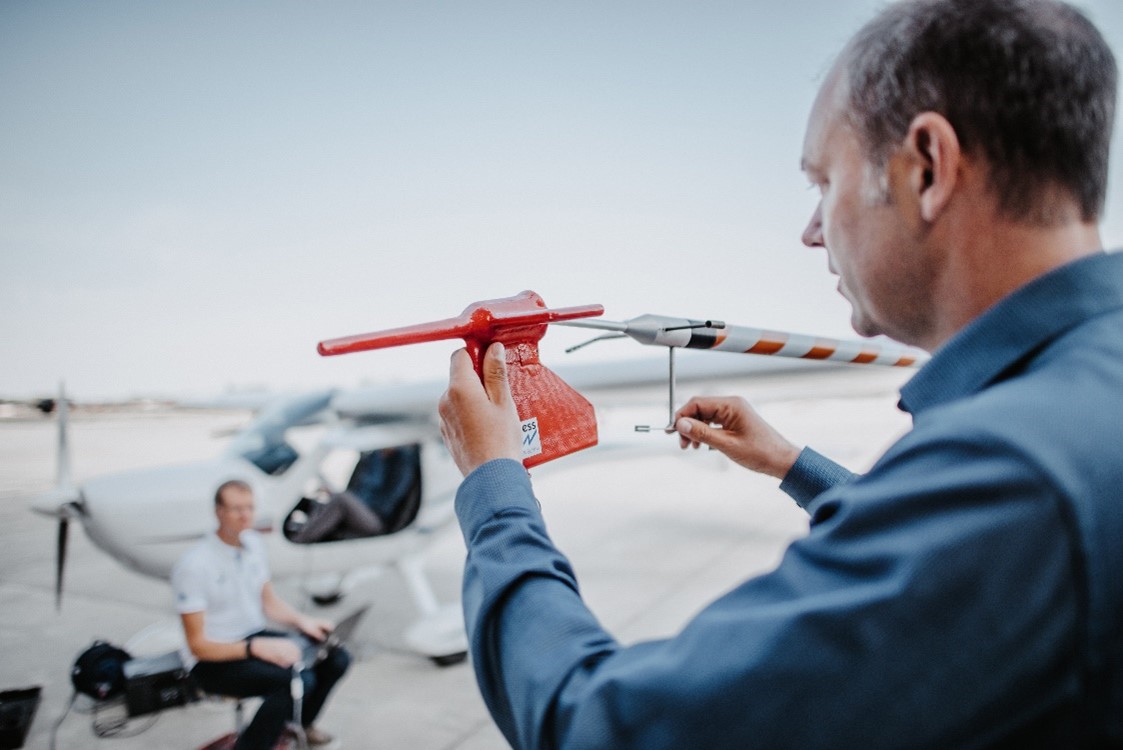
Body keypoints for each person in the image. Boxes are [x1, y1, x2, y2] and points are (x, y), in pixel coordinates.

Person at [436, 0, 1122, 747]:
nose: (810, 230)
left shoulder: (1012, 471)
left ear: (927, 167)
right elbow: (972, 570)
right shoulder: (1078, 405)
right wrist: (794, 466)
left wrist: (493, 487)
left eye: (823, 181)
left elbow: (600, 727)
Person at [171, 479, 351, 750]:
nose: (245, 516)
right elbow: (198, 645)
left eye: (250, 508)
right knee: (296, 679)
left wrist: (305, 623)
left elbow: (268, 602)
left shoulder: (253, 543)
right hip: (212, 659)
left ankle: (294, 726)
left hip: (252, 637)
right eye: (236, 509)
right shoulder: (195, 565)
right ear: (218, 511)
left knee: (336, 657)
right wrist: (257, 648)